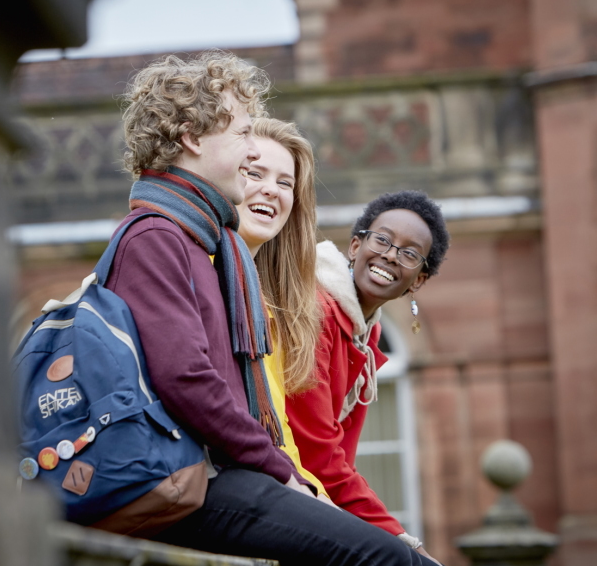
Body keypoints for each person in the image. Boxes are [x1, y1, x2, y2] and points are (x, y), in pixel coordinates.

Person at [106, 51, 437, 566]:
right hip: (187, 477)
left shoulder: (199, 241)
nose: (250, 155)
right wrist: (283, 471)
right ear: (193, 139)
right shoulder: (158, 235)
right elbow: (188, 380)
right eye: (242, 136)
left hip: (216, 475)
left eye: (285, 181)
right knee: (391, 561)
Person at [287, 190, 451, 564]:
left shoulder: (366, 333)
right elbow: (317, 453)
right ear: (356, 245)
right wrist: (402, 538)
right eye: (383, 240)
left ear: (418, 280)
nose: (391, 255)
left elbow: (343, 456)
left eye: (409, 253)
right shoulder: (316, 311)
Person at [233, 118, 328, 498]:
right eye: (255, 173)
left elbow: (283, 438)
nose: (271, 190)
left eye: (285, 183)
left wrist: (321, 499)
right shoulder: (199, 273)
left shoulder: (271, 307)